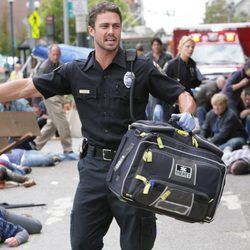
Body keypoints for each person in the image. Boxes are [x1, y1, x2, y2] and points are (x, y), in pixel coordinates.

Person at [0, 2, 196, 249]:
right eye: (105, 26)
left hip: (135, 167)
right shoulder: (76, 71)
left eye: (116, 26)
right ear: (92, 30)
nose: (111, 31)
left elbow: (181, 94)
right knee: (82, 243)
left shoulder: (140, 67)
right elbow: (26, 86)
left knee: (137, 244)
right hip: (93, 169)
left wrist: (188, 113)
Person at [33, 44, 76, 157]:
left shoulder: (61, 65)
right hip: (50, 97)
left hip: (59, 97)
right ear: (49, 54)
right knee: (62, 121)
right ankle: (68, 149)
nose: (56, 56)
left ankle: (35, 145)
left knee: (53, 124)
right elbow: (34, 84)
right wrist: (36, 104)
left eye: (57, 54)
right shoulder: (44, 67)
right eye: (53, 54)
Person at [145, 37, 173, 121]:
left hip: (164, 85)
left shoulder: (167, 57)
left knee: (165, 110)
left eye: (158, 44)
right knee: (152, 109)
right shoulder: (147, 57)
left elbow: (170, 71)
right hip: (152, 85)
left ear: (161, 46)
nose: (156, 46)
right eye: (154, 44)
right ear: (152, 46)